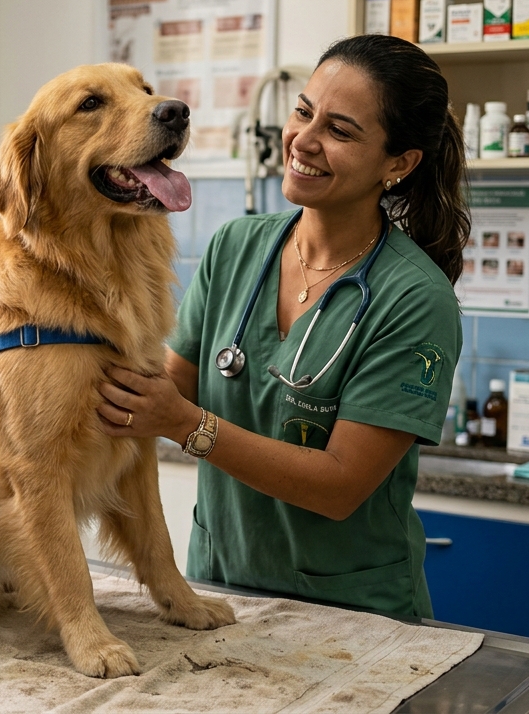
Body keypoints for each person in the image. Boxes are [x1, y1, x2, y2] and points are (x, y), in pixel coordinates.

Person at [96, 35, 469, 618]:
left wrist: (186, 424)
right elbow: (160, 391)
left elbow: (341, 486)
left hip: (349, 613)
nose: (304, 140)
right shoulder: (235, 247)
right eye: (302, 112)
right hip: (221, 591)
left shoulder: (414, 298)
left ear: (399, 163)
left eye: (340, 131)